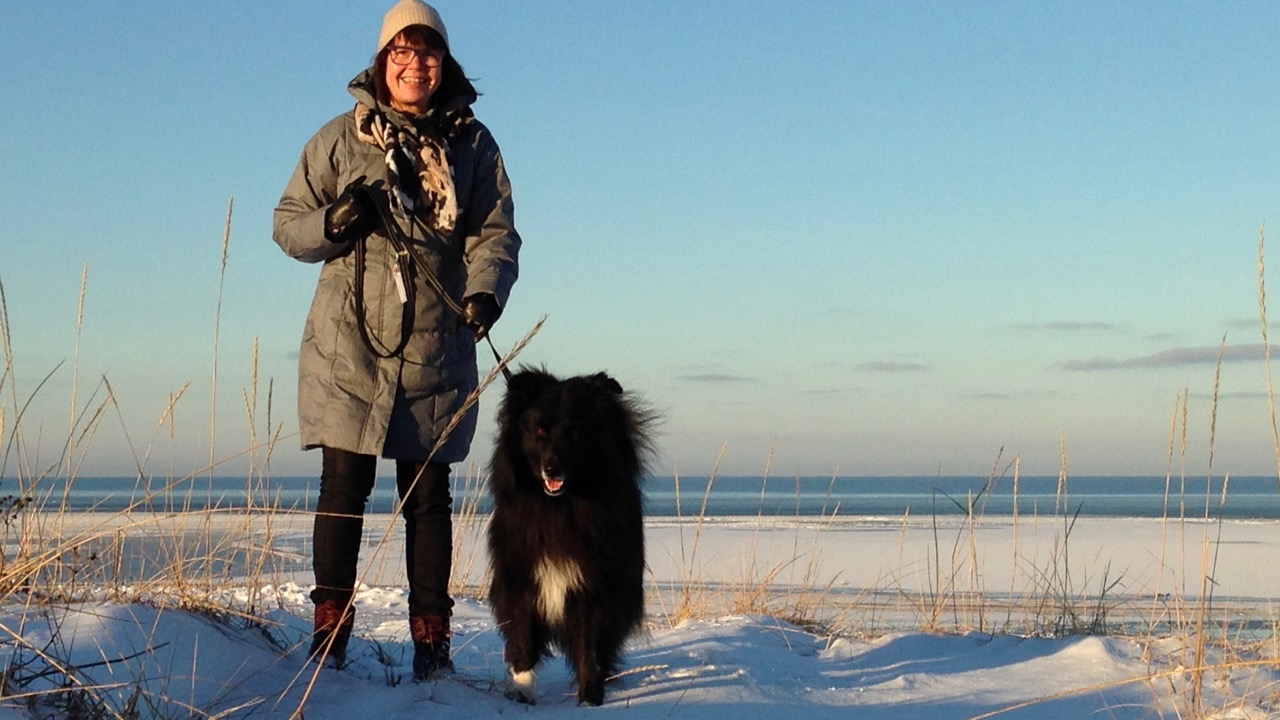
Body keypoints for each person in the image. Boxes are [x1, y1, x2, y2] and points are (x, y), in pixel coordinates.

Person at [272, 0, 520, 679]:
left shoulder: (473, 145)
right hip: (348, 342)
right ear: (382, 61)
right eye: (402, 52)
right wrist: (335, 219)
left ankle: (432, 646)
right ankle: (329, 638)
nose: (416, 65)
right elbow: (287, 224)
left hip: (438, 342)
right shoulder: (339, 138)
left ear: (444, 63)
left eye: (428, 52)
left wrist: (485, 292)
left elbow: (495, 233)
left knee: (428, 497)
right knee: (342, 487)